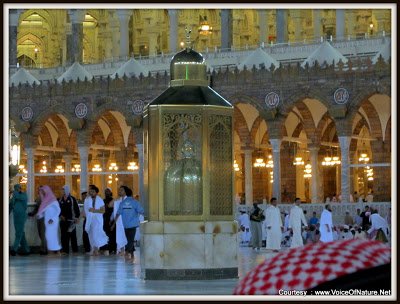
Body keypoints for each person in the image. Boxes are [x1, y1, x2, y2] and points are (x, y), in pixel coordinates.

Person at [112, 186, 144, 262]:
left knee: (129, 239)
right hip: (133, 224)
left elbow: (118, 213)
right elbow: (141, 211)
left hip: (125, 224)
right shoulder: (135, 202)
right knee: (131, 239)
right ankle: (128, 252)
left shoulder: (122, 203)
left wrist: (113, 223)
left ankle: (130, 252)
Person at [84, 184, 108, 256]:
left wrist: (94, 210)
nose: (91, 193)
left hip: (97, 220)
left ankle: (96, 250)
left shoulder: (100, 200)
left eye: (93, 192)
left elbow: (103, 211)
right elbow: (85, 210)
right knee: (91, 234)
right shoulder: (87, 200)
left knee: (96, 235)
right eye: (90, 191)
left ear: (96, 192)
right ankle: (94, 249)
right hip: (90, 220)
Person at [37, 185, 62, 256]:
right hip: (47, 221)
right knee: (48, 236)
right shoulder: (45, 201)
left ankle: (57, 251)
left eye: (43, 192)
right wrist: (39, 215)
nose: (43, 193)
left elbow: (58, 210)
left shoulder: (53, 200)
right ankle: (51, 251)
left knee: (53, 236)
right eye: (42, 192)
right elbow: (44, 212)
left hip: (53, 221)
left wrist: (52, 219)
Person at [59, 185, 80, 255]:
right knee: (64, 236)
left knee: (72, 236)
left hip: (71, 221)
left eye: (63, 190)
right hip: (63, 221)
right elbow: (57, 210)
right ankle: (65, 250)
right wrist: (60, 216)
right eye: (62, 190)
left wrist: (76, 217)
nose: (62, 191)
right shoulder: (60, 200)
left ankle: (75, 250)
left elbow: (76, 209)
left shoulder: (72, 199)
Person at [9, 184, 30, 256]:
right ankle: (26, 249)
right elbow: (10, 205)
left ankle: (14, 249)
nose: (16, 189)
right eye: (15, 188)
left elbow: (19, 197)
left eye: (17, 188)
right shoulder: (14, 197)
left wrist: (14, 193)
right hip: (16, 216)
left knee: (18, 233)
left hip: (22, 216)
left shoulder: (23, 195)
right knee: (21, 232)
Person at [28, 186, 47, 255]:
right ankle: (44, 248)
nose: (38, 191)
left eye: (39, 190)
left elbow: (37, 208)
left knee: (42, 234)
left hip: (42, 218)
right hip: (41, 218)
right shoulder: (41, 198)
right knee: (41, 234)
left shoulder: (42, 198)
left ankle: (44, 249)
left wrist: (32, 214)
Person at [111, 188, 128, 255]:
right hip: (119, 221)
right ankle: (122, 250)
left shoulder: (128, 200)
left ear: (125, 191)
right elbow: (110, 205)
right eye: (119, 190)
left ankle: (128, 251)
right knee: (120, 235)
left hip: (127, 221)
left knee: (127, 236)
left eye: (121, 190)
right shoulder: (118, 200)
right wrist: (115, 198)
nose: (119, 191)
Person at [101, 188, 116, 255]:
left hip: (111, 220)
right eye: (105, 191)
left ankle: (113, 248)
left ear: (110, 192)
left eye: (108, 191)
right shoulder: (103, 200)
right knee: (105, 234)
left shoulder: (113, 200)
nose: (106, 192)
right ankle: (106, 248)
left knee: (112, 234)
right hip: (104, 219)